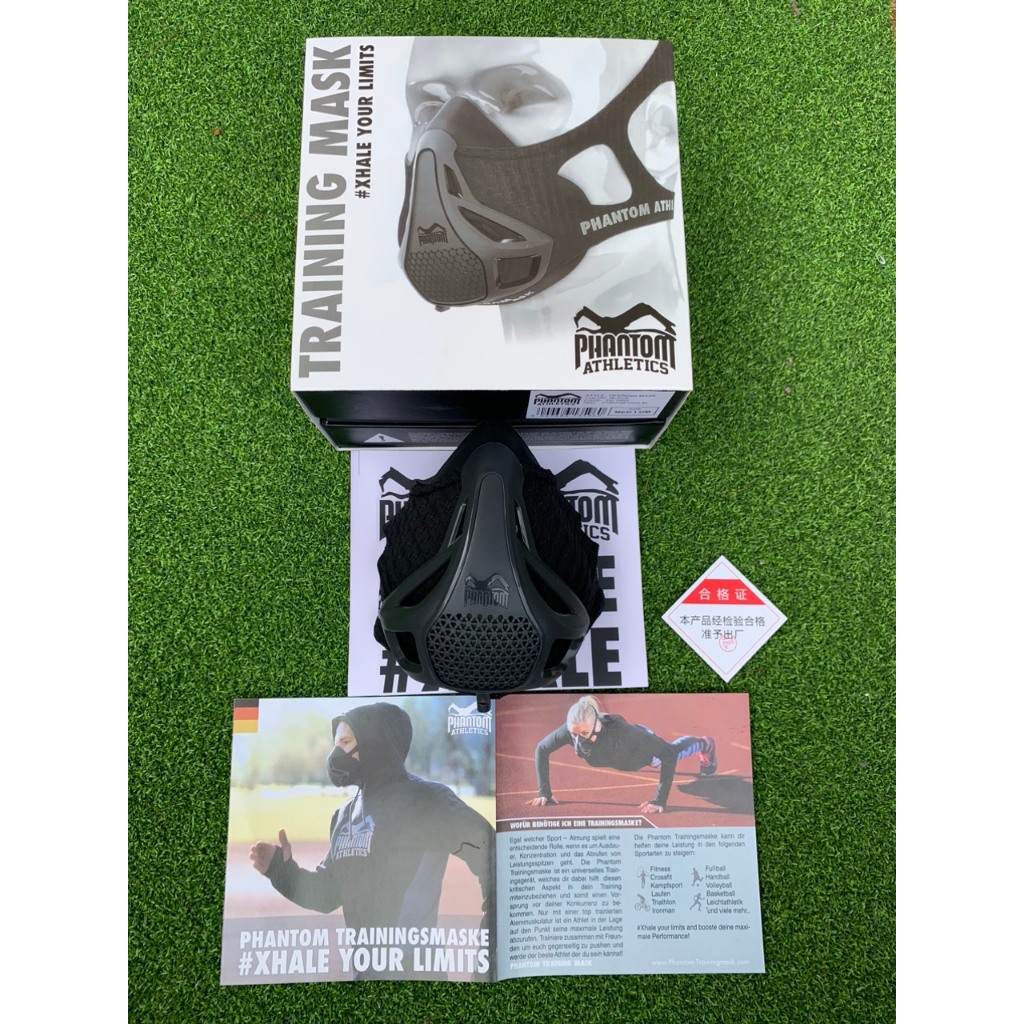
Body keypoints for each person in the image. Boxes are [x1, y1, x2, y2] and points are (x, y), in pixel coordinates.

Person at [250, 702, 494, 980]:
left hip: (417, 976)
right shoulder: (343, 816)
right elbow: (326, 894)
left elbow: (492, 856)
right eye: (336, 743)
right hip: (365, 977)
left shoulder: (427, 800)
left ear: (374, 742)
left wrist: (486, 962)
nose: (335, 754)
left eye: (345, 742)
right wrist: (281, 871)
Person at [527, 696, 716, 814]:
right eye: (574, 734)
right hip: (618, 757)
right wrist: (544, 792)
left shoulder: (622, 733)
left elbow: (668, 756)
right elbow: (542, 749)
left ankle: (705, 744)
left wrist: (660, 800)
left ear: (597, 726)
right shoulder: (573, 729)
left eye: (583, 733)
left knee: (671, 752)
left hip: (641, 751)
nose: (578, 739)